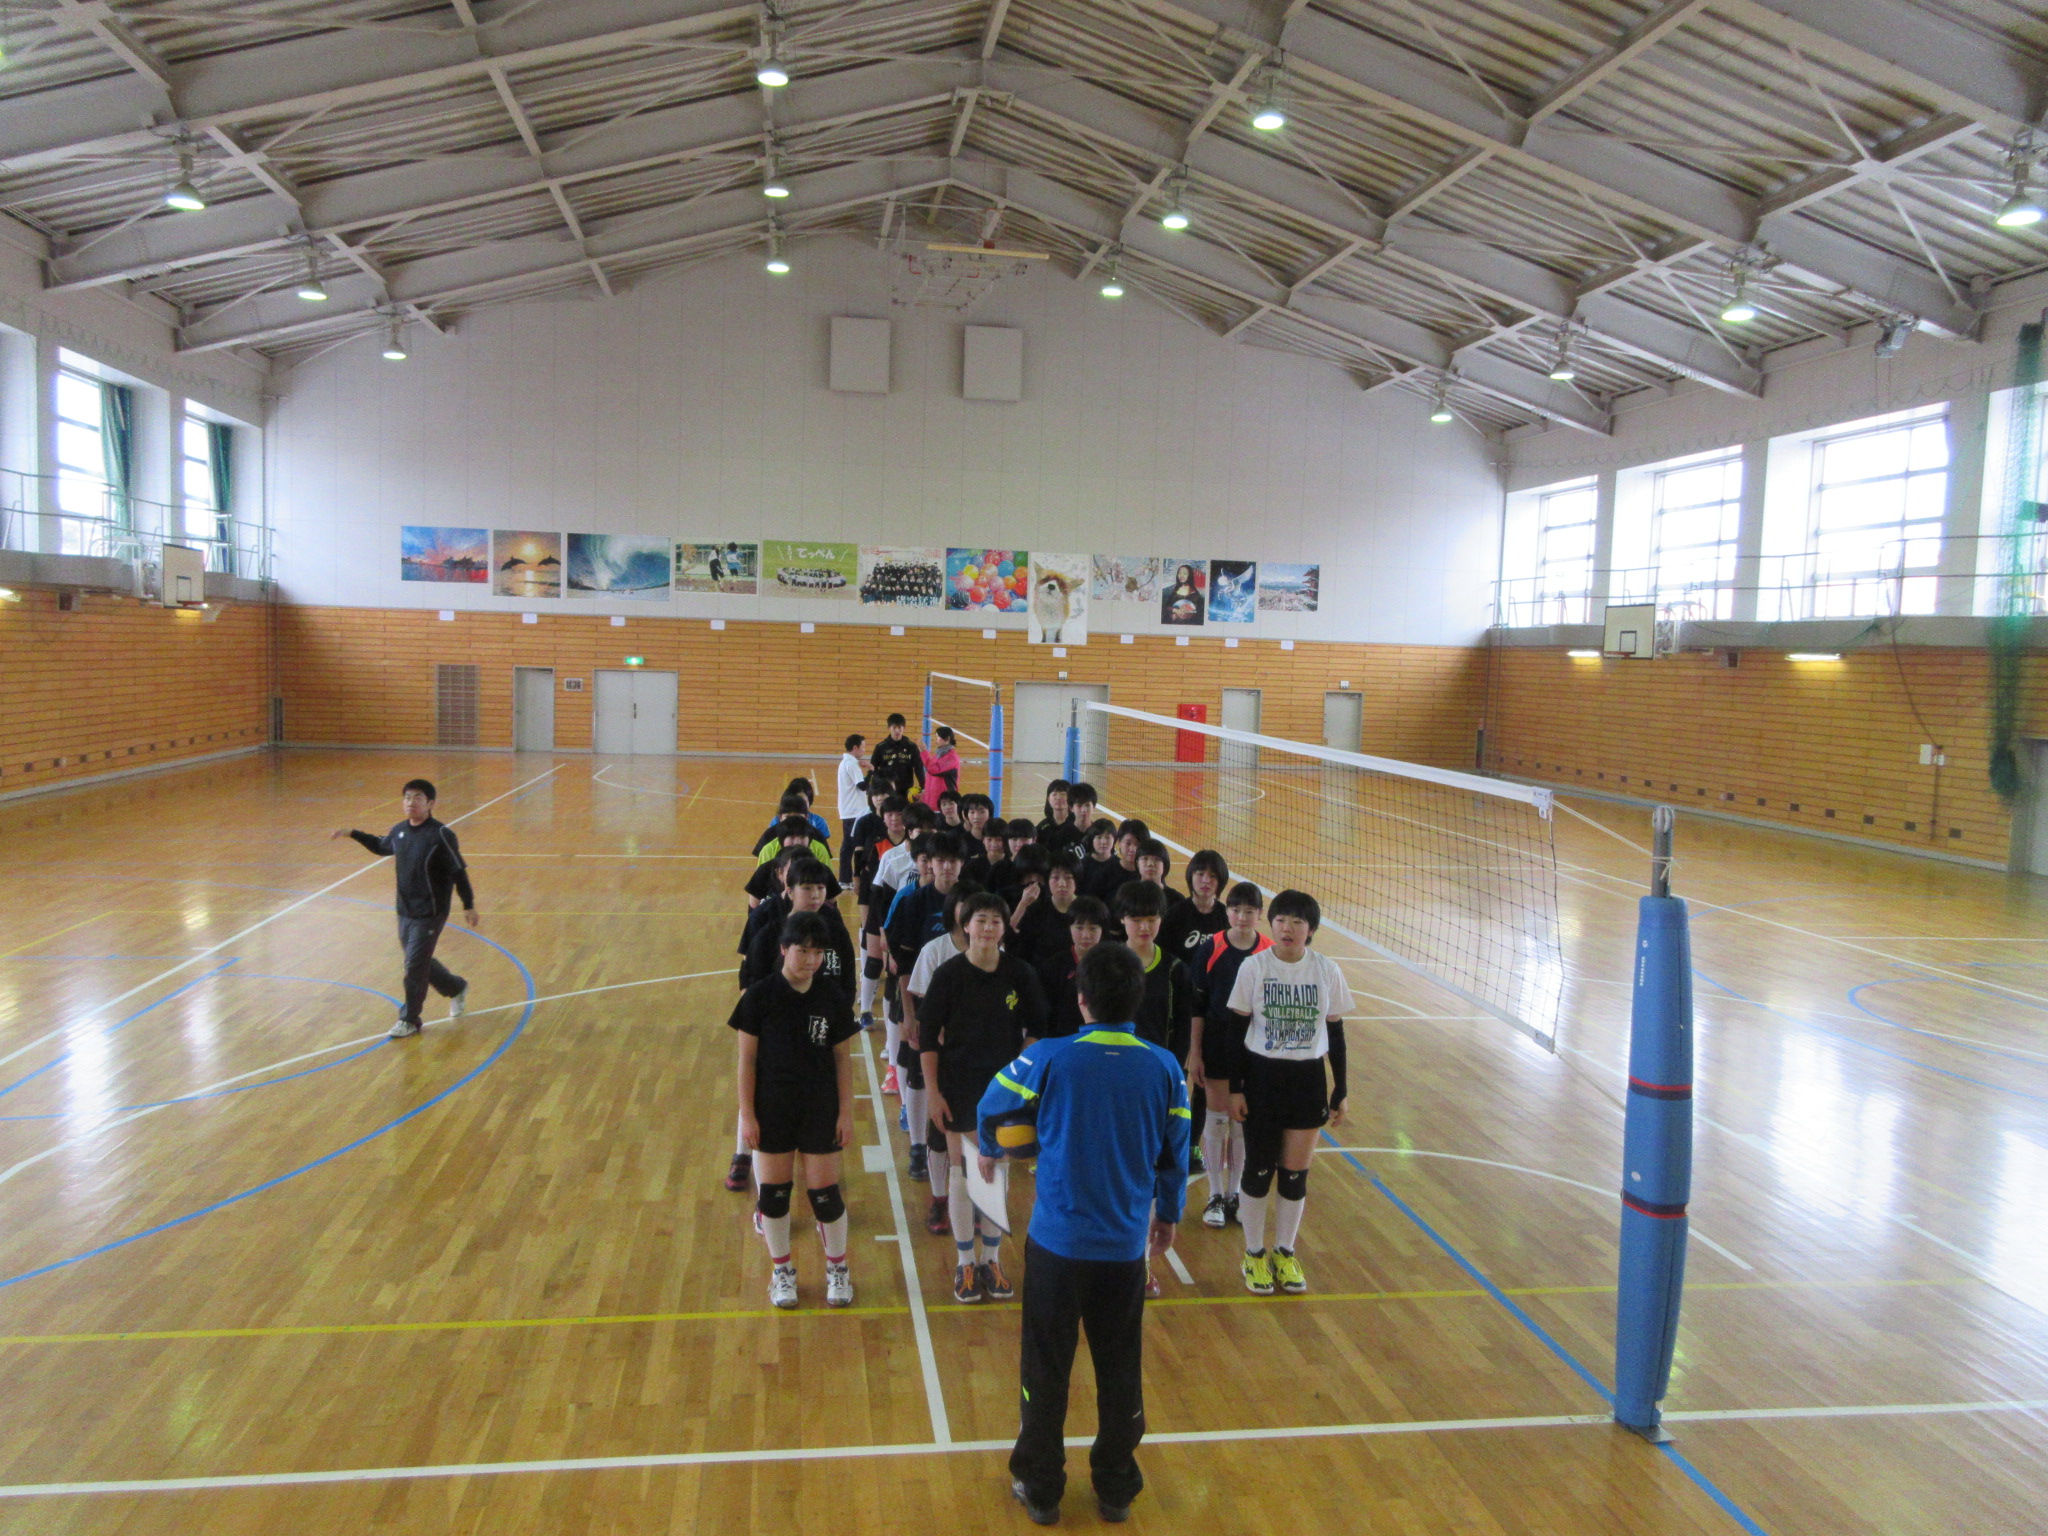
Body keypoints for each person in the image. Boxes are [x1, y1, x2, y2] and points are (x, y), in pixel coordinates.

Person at [976, 943, 1189, 1525]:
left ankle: (1041, 1487)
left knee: (1045, 1368)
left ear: (1081, 1000)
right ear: (1137, 1001)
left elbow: (991, 1105)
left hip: (1057, 1248)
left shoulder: (1048, 1056)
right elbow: (1176, 1153)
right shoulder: (1165, 1068)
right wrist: (1169, 1214)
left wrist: (994, 1146)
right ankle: (1116, 1487)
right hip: (1123, 1251)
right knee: (1120, 1367)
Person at [1224, 889, 1354, 1297]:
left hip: (1307, 1080)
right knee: (1259, 1170)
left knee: (1295, 1174)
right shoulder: (1254, 967)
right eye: (1281, 919)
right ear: (1271, 923)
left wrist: (1341, 1088)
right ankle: (1254, 1253)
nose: (1288, 928)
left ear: (1310, 929)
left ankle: (1284, 1251)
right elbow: (1234, 1031)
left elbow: (1335, 1032)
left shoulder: (1326, 970)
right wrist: (1235, 1088)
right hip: (1262, 1078)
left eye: (1298, 921)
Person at [920, 891, 1048, 1303]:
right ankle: (965, 1264)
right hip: (958, 1085)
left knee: (995, 1171)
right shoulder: (948, 975)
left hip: (1004, 1090)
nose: (988, 928)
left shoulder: (1020, 973)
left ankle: (991, 1260)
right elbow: (927, 1039)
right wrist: (933, 1094)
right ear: (965, 926)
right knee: (962, 1172)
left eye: (996, 920)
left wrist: (1019, 1075)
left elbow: (1038, 1028)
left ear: (1004, 927)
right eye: (981, 920)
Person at [730, 911, 859, 1310]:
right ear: (784, 949)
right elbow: (746, 1061)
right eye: (803, 951)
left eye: (818, 953)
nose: (811, 960)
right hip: (773, 1107)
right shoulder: (759, 997)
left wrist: (846, 1112)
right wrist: (748, 1115)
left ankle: (838, 1269)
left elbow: (842, 1059)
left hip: (819, 1106)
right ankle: (782, 1272)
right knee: (773, 1196)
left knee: (826, 1196)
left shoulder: (831, 997)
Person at [333, 779, 477, 1039]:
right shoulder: (400, 831)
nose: (411, 803)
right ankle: (456, 987)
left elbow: (458, 871)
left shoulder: (441, 835)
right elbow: (381, 846)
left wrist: (468, 904)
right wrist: (352, 833)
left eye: (418, 798)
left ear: (430, 803)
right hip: (405, 910)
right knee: (418, 961)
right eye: (407, 798)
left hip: (431, 911)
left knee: (414, 966)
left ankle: (409, 1020)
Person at [1188, 881, 1268, 1228]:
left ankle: (1234, 1194)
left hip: (1254, 1047)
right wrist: (1195, 1052)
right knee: (1217, 1118)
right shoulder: (1211, 948)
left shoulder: (1268, 951)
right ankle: (1215, 1195)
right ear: (1227, 912)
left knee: (1241, 1122)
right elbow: (1198, 1006)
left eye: (1249, 911)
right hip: (1218, 1042)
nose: (1242, 917)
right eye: (1236, 910)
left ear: (1259, 914)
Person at [1034, 894, 1108, 1039]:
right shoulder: (1053, 966)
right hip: (1062, 1040)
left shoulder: (1113, 965)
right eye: (1079, 928)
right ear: (1069, 928)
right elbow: (1044, 1013)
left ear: (1102, 930)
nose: (1086, 935)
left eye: (1093, 928)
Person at [836, 735, 869, 883]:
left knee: (849, 846)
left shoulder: (847, 762)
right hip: (853, 812)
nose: (864, 750)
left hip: (850, 811)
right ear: (855, 747)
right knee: (850, 847)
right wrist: (872, 771)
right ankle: (845, 879)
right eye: (863, 747)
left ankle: (846, 879)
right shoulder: (851, 764)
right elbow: (862, 786)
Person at [870, 713, 924, 799]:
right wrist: (873, 789)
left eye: (900, 727)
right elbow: (873, 769)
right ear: (889, 728)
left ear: (904, 728)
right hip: (886, 791)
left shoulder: (911, 746)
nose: (897, 730)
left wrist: (924, 787)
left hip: (906, 791)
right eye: (894, 727)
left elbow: (919, 768)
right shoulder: (880, 747)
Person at [1037, 779, 1082, 854]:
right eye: (1054, 794)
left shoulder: (1078, 824)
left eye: (1063, 794)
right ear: (1048, 799)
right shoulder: (1042, 827)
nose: (1058, 798)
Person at [924, 726, 963, 801]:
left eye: (938, 737)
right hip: (932, 800)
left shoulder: (951, 757)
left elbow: (934, 770)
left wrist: (924, 753)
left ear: (947, 739)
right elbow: (931, 779)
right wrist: (924, 793)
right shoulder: (937, 755)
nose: (935, 740)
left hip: (945, 801)